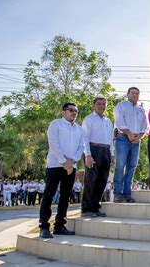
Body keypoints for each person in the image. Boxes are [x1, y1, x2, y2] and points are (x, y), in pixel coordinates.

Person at [39, 102, 84, 238]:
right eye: (71, 110)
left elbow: (81, 147)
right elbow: (53, 143)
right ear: (63, 112)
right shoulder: (56, 124)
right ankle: (44, 226)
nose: (74, 113)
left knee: (65, 196)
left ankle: (59, 225)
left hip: (71, 167)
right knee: (49, 195)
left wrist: (72, 162)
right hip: (55, 165)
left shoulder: (79, 129)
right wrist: (64, 162)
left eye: (76, 111)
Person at [81, 97, 114, 217]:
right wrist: (88, 155)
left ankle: (95, 207)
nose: (101, 106)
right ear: (93, 105)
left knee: (102, 181)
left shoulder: (108, 121)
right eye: (99, 104)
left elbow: (111, 140)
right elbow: (85, 138)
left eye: (104, 104)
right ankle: (86, 209)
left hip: (106, 151)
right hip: (93, 150)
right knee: (91, 180)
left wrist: (111, 155)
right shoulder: (88, 119)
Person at [114, 87, 147, 203]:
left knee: (132, 166)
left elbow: (144, 125)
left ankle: (127, 194)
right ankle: (118, 194)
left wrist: (139, 136)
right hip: (123, 138)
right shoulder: (121, 106)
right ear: (127, 94)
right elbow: (119, 122)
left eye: (137, 93)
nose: (135, 95)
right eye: (132, 93)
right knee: (120, 166)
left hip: (136, 141)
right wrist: (128, 133)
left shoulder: (141, 109)